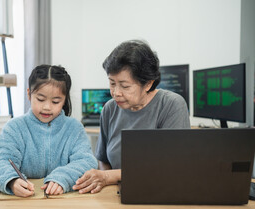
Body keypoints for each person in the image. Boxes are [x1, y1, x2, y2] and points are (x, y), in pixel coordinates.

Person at [73, 39, 190, 194]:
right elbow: (103, 160)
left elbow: (171, 166)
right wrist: (106, 183)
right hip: (119, 194)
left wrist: (108, 177)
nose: (116, 93)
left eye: (125, 86)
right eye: (112, 83)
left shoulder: (171, 105)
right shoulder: (109, 109)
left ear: (148, 84)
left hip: (160, 194)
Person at [0, 64, 98, 197]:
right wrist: (12, 181)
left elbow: (86, 162)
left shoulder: (74, 128)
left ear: (64, 100)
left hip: (63, 202)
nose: (47, 107)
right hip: (23, 203)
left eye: (56, 101)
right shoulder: (14, 127)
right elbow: (0, 162)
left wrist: (63, 177)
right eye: (40, 99)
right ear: (29, 94)